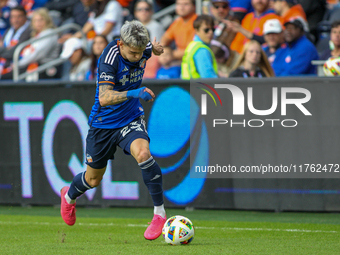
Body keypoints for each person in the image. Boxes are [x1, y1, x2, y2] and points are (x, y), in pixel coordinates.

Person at [60, 20, 167, 241]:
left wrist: (155, 49)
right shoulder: (109, 58)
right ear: (120, 44)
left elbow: (149, 49)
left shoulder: (142, 47)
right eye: (133, 52)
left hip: (130, 117)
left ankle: (159, 214)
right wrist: (134, 93)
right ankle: (69, 196)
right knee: (92, 180)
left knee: (144, 154)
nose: (138, 57)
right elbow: (105, 98)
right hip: (103, 124)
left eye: (141, 52)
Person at [1, 7, 60, 80]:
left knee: (6, 78)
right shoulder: (36, 35)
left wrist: (18, 64)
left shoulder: (49, 34)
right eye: (35, 21)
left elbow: (37, 54)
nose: (38, 23)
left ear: (47, 20)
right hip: (32, 65)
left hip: (45, 68)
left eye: (41, 20)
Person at [134, 0, 164, 79]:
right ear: (135, 13)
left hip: (151, 59)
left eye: (146, 9)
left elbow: (157, 47)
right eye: (140, 9)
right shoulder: (132, 26)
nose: (143, 12)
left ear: (151, 11)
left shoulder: (157, 26)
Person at [181, 14, 218, 79]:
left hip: (189, 87)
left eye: (213, 29)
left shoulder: (192, 45)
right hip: (199, 88)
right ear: (196, 31)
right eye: (206, 30)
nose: (211, 32)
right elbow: (208, 78)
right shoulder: (202, 50)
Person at [0, 5, 30, 78]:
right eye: (13, 16)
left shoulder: (28, 31)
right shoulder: (9, 31)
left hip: (17, 66)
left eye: (19, 16)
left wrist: (3, 49)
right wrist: (6, 48)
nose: (16, 19)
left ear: (25, 17)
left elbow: (14, 51)